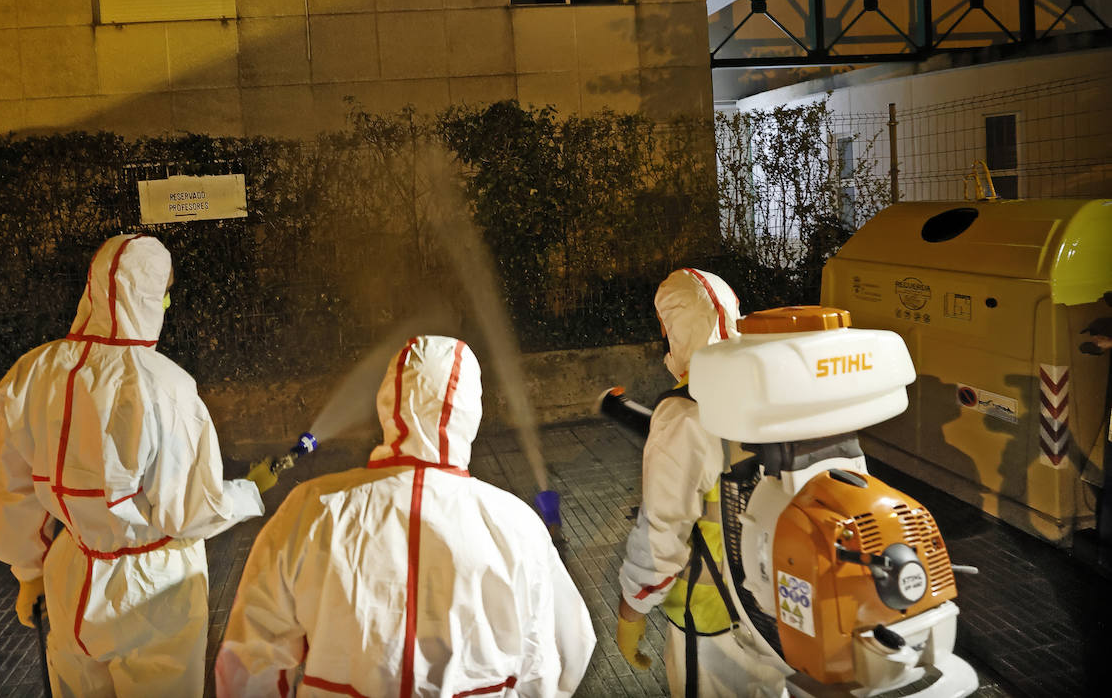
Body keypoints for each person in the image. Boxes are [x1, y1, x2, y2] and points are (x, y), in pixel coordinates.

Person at [214, 335, 596, 697]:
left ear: (386, 402)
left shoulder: (311, 507)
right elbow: (564, 652)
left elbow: (250, 655)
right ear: (471, 411)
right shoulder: (515, 524)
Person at [0, 234, 265, 698]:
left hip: (71, 578)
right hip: (154, 593)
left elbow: (8, 490)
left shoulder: (33, 373)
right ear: (154, 297)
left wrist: (29, 573)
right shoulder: (166, 387)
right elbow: (189, 512)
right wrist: (245, 493)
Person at [615, 268, 788, 697]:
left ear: (675, 329)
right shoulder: (773, 386)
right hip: (778, 615)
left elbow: (661, 537)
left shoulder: (685, 413)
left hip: (712, 628)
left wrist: (629, 613)